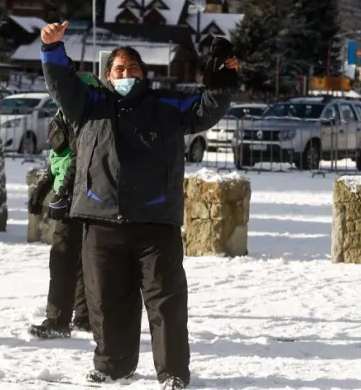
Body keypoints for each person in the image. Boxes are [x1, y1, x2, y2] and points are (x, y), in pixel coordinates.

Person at [40, 21, 239, 390]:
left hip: (154, 222)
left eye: (133, 69)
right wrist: (52, 49)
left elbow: (205, 110)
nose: (126, 74)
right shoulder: (90, 103)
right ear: (107, 75)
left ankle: (173, 372)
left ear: (143, 74)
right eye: (119, 69)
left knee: (166, 304)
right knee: (106, 302)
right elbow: (62, 84)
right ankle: (112, 365)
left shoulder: (165, 103)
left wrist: (221, 81)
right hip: (101, 222)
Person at [27, 71, 102, 340]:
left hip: (83, 196)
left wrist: (65, 193)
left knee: (62, 258)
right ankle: (84, 317)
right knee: (80, 258)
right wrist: (42, 189)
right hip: (76, 195)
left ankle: (58, 320)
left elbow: (81, 158)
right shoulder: (65, 113)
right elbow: (60, 158)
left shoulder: (87, 115)